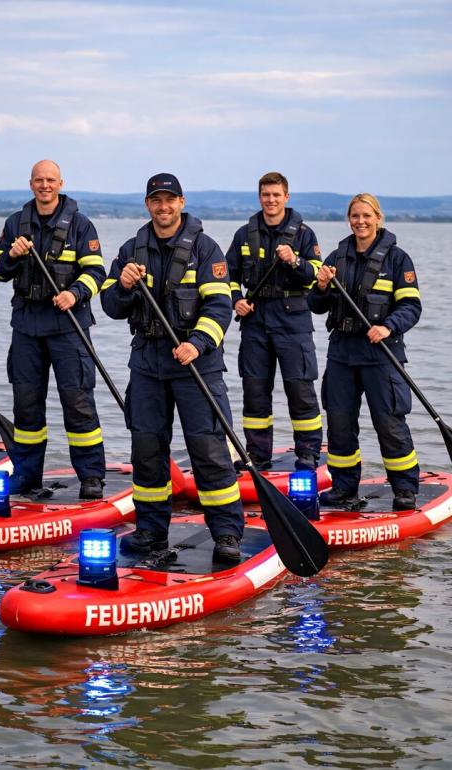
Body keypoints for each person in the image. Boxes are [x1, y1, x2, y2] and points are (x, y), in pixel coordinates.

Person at [101, 172, 244, 563]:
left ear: (181, 202)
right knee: (146, 450)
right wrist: (124, 286)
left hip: (196, 365)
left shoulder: (207, 249)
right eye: (156, 201)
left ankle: (227, 533)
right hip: (147, 364)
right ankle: (150, 531)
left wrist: (196, 344)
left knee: (209, 450)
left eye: (170, 200)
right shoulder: (132, 249)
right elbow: (110, 307)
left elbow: (220, 306)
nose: (163, 207)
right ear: (148, 205)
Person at [0, 160, 106, 498]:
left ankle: (91, 476)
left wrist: (75, 293)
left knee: (78, 400)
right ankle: (26, 476)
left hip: (69, 326)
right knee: (26, 405)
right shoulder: (15, 224)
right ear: (31, 184)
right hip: (26, 326)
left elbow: (97, 273)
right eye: (39, 180)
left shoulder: (81, 226)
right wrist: (10, 255)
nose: (44, 185)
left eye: (50, 180)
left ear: (60, 183)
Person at [308, 193, 421, 510]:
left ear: (378, 218)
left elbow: (411, 306)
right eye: (355, 216)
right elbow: (316, 307)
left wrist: (389, 326)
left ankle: (404, 489)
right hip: (342, 353)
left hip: (381, 353)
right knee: (340, 423)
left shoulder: (398, 260)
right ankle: (344, 489)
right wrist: (319, 286)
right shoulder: (335, 258)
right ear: (349, 219)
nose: (360, 221)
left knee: (389, 423)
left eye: (366, 216)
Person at [225, 171, 323, 471]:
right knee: (254, 393)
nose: (271, 200)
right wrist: (236, 300)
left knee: (300, 391)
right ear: (259, 197)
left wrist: (294, 260)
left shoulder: (304, 234)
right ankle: (258, 455)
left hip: (293, 322)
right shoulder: (245, 234)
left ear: (286, 197)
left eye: (276, 195)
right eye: (266, 195)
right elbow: (226, 275)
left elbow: (317, 275)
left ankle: (308, 454)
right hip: (255, 323)